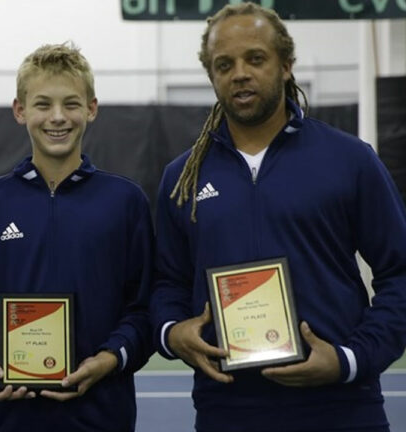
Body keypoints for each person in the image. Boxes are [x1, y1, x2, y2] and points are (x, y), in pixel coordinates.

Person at [152, 3, 406, 431]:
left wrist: (351, 359)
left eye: (255, 59)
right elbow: (165, 283)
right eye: (224, 64)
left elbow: (400, 273)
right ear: (212, 75)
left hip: (342, 408)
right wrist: (172, 332)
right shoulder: (182, 178)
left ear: (286, 65)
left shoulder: (349, 160)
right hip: (227, 410)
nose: (240, 74)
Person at [0, 42, 154, 431]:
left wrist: (109, 358)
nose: (57, 117)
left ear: (91, 108)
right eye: (42, 104)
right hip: (9, 416)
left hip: (103, 415)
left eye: (71, 104)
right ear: (20, 111)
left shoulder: (125, 201)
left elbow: (142, 307)